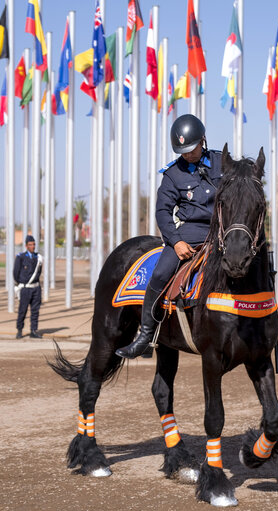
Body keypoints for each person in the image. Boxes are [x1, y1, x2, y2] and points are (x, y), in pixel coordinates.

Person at [116, 114, 223, 359]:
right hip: (189, 236)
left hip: (221, 236)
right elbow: (162, 211)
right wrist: (176, 243)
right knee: (161, 274)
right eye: (183, 151)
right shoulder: (173, 174)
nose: (188, 155)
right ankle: (145, 335)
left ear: (202, 140)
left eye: (192, 149)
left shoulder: (221, 163)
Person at [14, 235, 43, 339]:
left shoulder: (38, 257)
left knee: (35, 310)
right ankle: (19, 330)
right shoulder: (20, 257)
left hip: (36, 288)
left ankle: (33, 331)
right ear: (26, 246)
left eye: (34, 244)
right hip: (26, 288)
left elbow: (39, 272)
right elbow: (15, 273)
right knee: (23, 310)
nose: (33, 246)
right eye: (30, 244)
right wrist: (21, 284)